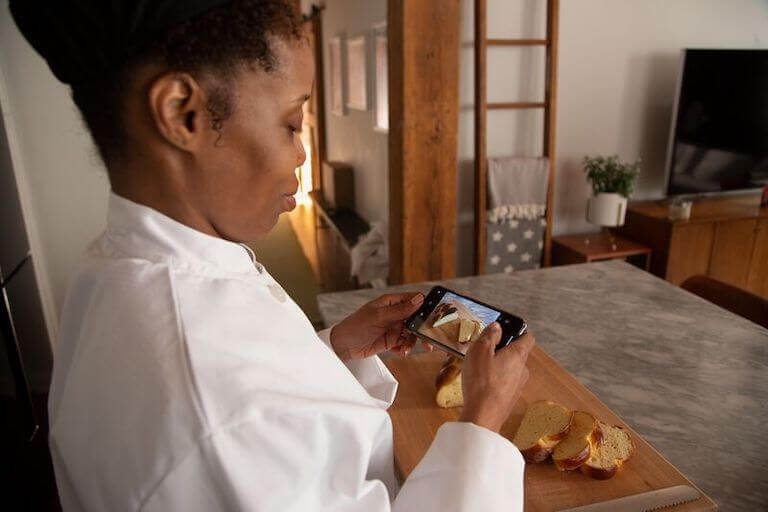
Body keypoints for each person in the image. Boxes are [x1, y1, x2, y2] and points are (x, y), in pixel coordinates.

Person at [9, 1, 535, 510]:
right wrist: (480, 425)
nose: (302, 152)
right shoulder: (218, 417)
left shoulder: (115, 270)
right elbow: (243, 418)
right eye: (290, 123)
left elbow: (269, 408)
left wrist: (330, 352)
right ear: (182, 113)